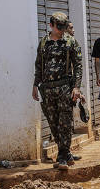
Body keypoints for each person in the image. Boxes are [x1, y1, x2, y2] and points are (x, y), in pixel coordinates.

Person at [33, 12, 83, 170]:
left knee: (65, 123)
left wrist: (76, 87)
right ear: (51, 26)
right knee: (53, 123)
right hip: (47, 89)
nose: (61, 30)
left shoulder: (71, 42)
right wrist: (35, 85)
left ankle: (62, 157)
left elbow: (78, 67)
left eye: (63, 27)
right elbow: (39, 66)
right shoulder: (43, 43)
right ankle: (67, 154)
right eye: (58, 27)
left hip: (64, 88)